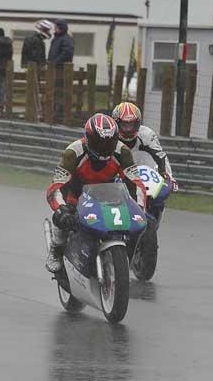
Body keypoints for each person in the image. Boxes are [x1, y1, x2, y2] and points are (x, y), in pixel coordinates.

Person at [44, 113, 148, 273]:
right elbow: (56, 186)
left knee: (133, 224)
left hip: (108, 194)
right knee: (63, 218)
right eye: (99, 143)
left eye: (109, 143)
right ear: (88, 138)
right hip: (76, 195)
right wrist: (61, 209)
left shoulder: (123, 152)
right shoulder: (72, 153)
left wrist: (140, 207)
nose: (104, 148)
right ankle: (56, 249)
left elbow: (135, 183)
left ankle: (124, 257)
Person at [112, 101, 178, 209]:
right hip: (117, 173)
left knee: (159, 197)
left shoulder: (147, 134)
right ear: (116, 123)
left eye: (131, 125)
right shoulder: (111, 137)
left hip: (141, 171)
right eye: (124, 125)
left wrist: (168, 177)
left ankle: (151, 212)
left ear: (138, 123)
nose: (128, 129)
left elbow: (161, 156)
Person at [47, 19, 74, 121]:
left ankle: (59, 112)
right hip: (54, 70)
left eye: (56, 27)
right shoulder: (57, 39)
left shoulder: (66, 39)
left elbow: (67, 53)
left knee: (60, 91)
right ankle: (55, 111)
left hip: (61, 70)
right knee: (54, 91)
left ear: (61, 28)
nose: (54, 29)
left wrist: (55, 62)